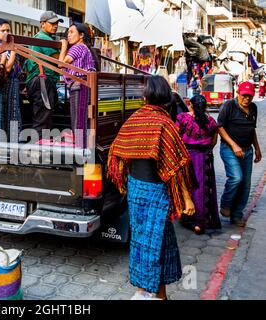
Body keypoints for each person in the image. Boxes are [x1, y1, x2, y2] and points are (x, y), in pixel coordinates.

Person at [107, 75, 196, 300]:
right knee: (152, 246)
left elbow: (116, 150)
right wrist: (187, 199)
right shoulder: (164, 123)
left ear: (146, 96)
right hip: (156, 193)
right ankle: (144, 293)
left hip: (136, 190)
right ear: (165, 96)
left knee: (151, 242)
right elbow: (176, 165)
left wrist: (123, 178)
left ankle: (159, 295)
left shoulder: (135, 118)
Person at [218, 81, 262, 227]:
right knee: (237, 177)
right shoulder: (229, 106)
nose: (247, 99)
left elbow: (252, 129)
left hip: (247, 150)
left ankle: (236, 215)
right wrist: (234, 145)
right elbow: (220, 128)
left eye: (249, 96)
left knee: (246, 184)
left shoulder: (253, 108)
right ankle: (226, 204)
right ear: (238, 93)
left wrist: (257, 148)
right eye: (244, 96)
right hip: (229, 149)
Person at [176, 94, 221, 234]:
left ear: (191, 105)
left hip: (188, 156)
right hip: (205, 157)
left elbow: (176, 138)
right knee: (203, 187)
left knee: (188, 187)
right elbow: (214, 142)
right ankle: (202, 220)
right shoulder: (211, 121)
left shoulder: (183, 118)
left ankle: (192, 219)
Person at [25, 11, 64, 138]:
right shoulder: (44, 38)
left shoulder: (39, 37)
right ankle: (37, 151)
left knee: (42, 117)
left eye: (57, 23)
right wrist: (64, 47)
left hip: (38, 81)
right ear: (42, 24)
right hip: (42, 81)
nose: (55, 26)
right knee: (42, 119)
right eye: (52, 23)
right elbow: (60, 61)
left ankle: (41, 148)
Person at [58, 22, 97, 148]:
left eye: (71, 32)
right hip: (81, 86)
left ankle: (81, 151)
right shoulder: (84, 48)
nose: (68, 36)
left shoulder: (78, 47)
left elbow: (61, 64)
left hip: (80, 85)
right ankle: (82, 149)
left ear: (81, 35)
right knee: (79, 120)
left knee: (78, 122)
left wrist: (63, 47)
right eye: (68, 33)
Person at [0, 18, 22, 137]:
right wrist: (13, 49)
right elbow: (8, 68)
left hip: (14, 82)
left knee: (13, 111)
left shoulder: (7, 45)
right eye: (3, 30)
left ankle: (14, 140)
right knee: (7, 113)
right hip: (5, 82)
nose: (6, 33)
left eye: (8, 30)